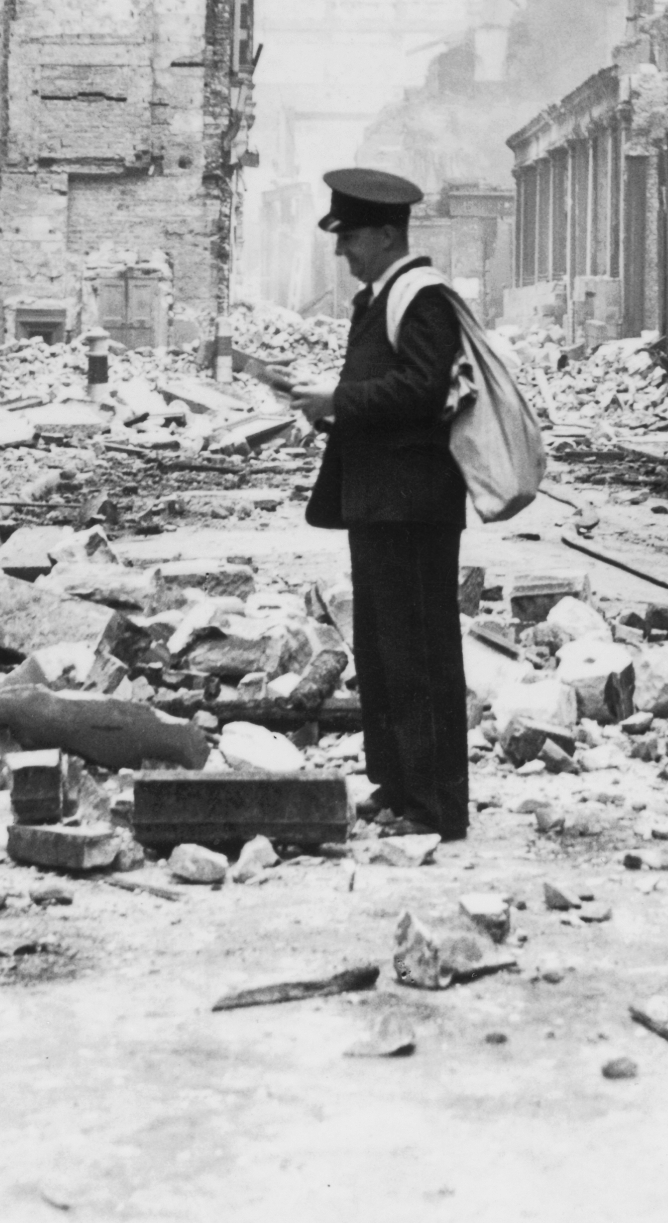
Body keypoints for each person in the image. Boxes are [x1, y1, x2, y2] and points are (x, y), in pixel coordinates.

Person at [267, 165, 472, 841]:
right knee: (384, 651)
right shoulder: (380, 296)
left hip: (413, 504)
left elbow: (419, 390)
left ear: (386, 234)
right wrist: (327, 405)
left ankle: (433, 805)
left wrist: (340, 400)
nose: (343, 250)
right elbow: (388, 390)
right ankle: (396, 785)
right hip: (381, 500)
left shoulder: (424, 296)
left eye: (351, 236)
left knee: (419, 652)